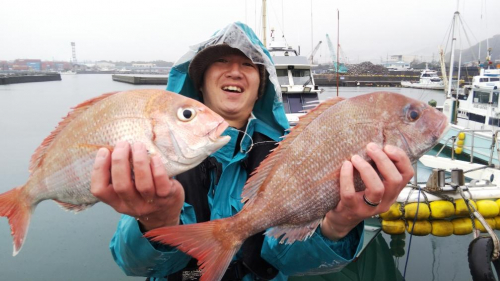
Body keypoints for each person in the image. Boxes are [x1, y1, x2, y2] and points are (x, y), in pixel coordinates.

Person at [90, 22, 414, 281]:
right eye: (221, 61)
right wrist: (153, 223)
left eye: (248, 64)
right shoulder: (161, 152)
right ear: (200, 82)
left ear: (262, 88)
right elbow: (134, 265)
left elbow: (286, 259)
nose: (235, 71)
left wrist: (339, 226)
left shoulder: (286, 152)